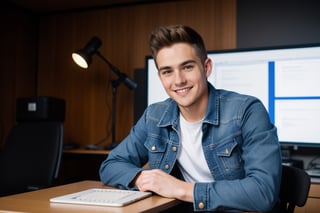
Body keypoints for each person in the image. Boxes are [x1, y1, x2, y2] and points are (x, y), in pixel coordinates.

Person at [99, 25, 282, 212]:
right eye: (167, 71)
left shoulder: (247, 111)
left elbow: (263, 192)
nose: (178, 80)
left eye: (187, 67)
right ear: (160, 77)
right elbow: (111, 165)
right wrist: (143, 179)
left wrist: (180, 189)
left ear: (206, 67)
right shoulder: (154, 116)